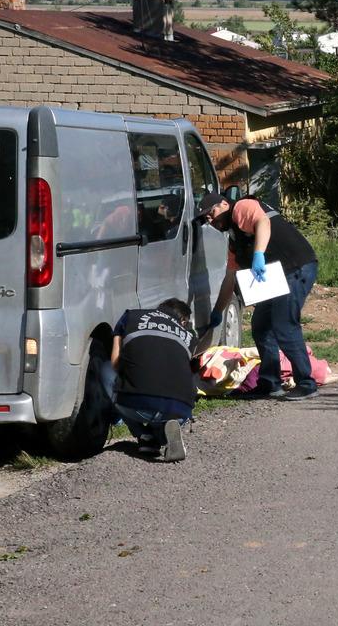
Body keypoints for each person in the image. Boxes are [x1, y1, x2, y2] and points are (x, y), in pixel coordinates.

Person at [198, 192, 321, 400]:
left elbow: (262, 221)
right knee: (261, 326)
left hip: (296, 267)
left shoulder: (241, 207)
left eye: (212, 212)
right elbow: (230, 279)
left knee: (284, 324)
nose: (210, 219)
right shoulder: (234, 239)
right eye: (206, 218)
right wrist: (218, 311)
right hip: (277, 276)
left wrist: (258, 254)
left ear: (224, 204)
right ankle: (270, 384)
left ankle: (306, 383)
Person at [110, 298, 196, 462]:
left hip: (135, 405)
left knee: (106, 374)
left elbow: (115, 362)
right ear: (183, 321)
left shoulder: (130, 317)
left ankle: (144, 435)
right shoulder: (189, 337)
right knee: (165, 405)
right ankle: (161, 435)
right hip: (179, 408)